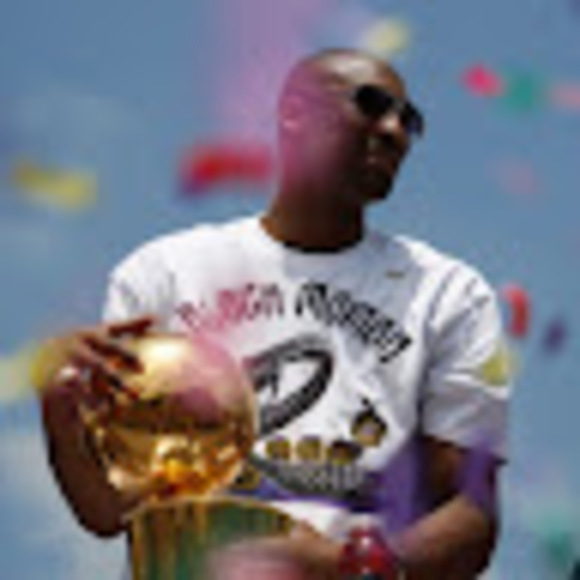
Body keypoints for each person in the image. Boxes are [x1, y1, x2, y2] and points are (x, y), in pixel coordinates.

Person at [39, 48, 511, 579]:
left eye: (410, 121)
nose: (395, 131)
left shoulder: (449, 293)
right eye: (372, 105)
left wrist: (344, 565)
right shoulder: (163, 273)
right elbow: (106, 512)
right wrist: (61, 411)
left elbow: (472, 512)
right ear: (294, 112)